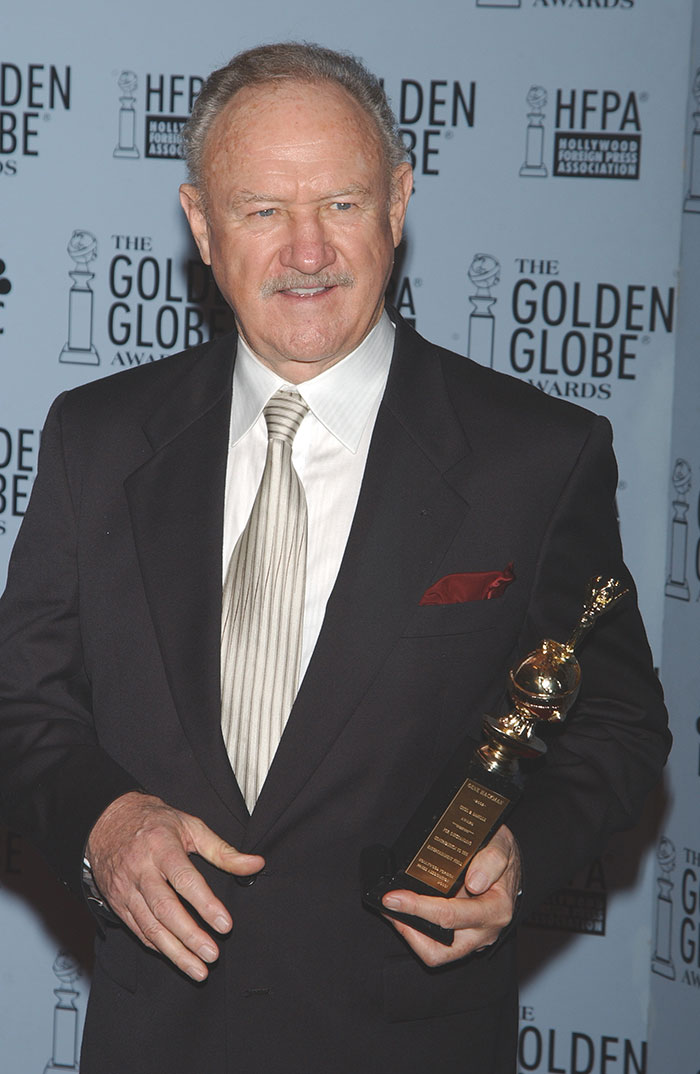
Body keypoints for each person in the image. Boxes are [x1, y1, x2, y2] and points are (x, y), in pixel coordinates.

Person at [0, 41, 669, 1074]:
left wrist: (523, 857)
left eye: (343, 205)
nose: (306, 251)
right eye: (263, 209)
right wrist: (104, 822)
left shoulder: (535, 456)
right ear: (200, 226)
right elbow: (22, 706)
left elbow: (616, 722)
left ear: (398, 204)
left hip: (412, 1043)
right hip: (156, 1042)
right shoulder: (97, 438)